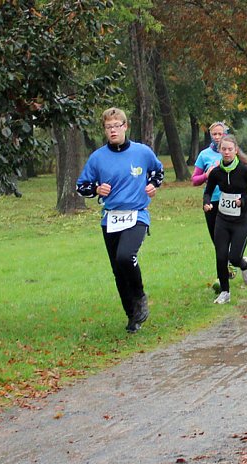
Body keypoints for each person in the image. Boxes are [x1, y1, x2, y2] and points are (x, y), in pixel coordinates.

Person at [76, 107, 164, 333]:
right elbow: (81, 186)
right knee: (118, 269)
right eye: (108, 127)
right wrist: (97, 189)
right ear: (104, 130)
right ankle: (132, 316)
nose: (113, 130)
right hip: (111, 218)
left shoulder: (142, 152)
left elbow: (158, 171)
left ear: (125, 126)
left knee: (126, 256)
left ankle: (140, 296)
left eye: (117, 126)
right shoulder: (97, 158)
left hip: (137, 214)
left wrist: (153, 185)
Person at [203, 135, 247, 304]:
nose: (227, 152)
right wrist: (207, 203)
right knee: (221, 256)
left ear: (236, 150)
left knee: (234, 258)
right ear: (219, 150)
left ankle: (245, 265)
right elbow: (208, 191)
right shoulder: (216, 172)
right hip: (222, 219)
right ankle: (225, 292)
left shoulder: (244, 170)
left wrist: (244, 200)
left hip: (241, 221)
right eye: (224, 149)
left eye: (230, 149)